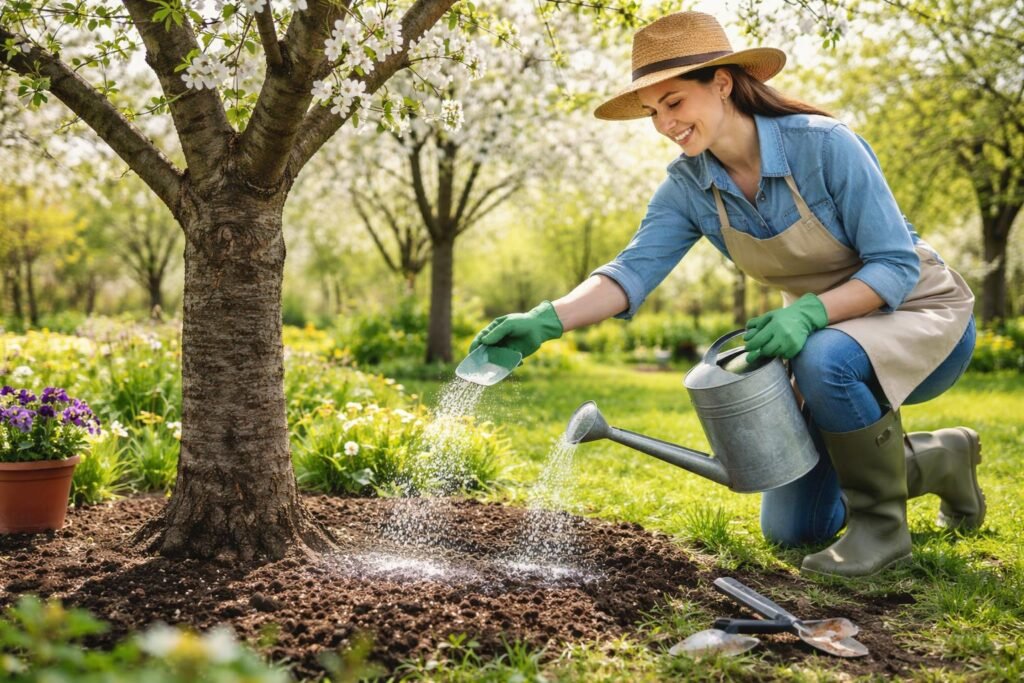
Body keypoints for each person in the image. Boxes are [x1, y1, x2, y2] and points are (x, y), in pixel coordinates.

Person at [469, 11, 985, 578]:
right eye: (652, 112)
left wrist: (811, 313)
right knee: (794, 528)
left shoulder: (825, 146)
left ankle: (882, 533)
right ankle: (940, 460)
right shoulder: (688, 186)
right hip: (828, 339)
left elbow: (893, 264)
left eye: (674, 102)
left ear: (722, 82)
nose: (665, 123)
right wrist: (548, 319)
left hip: (923, 319)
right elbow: (631, 271)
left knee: (823, 354)